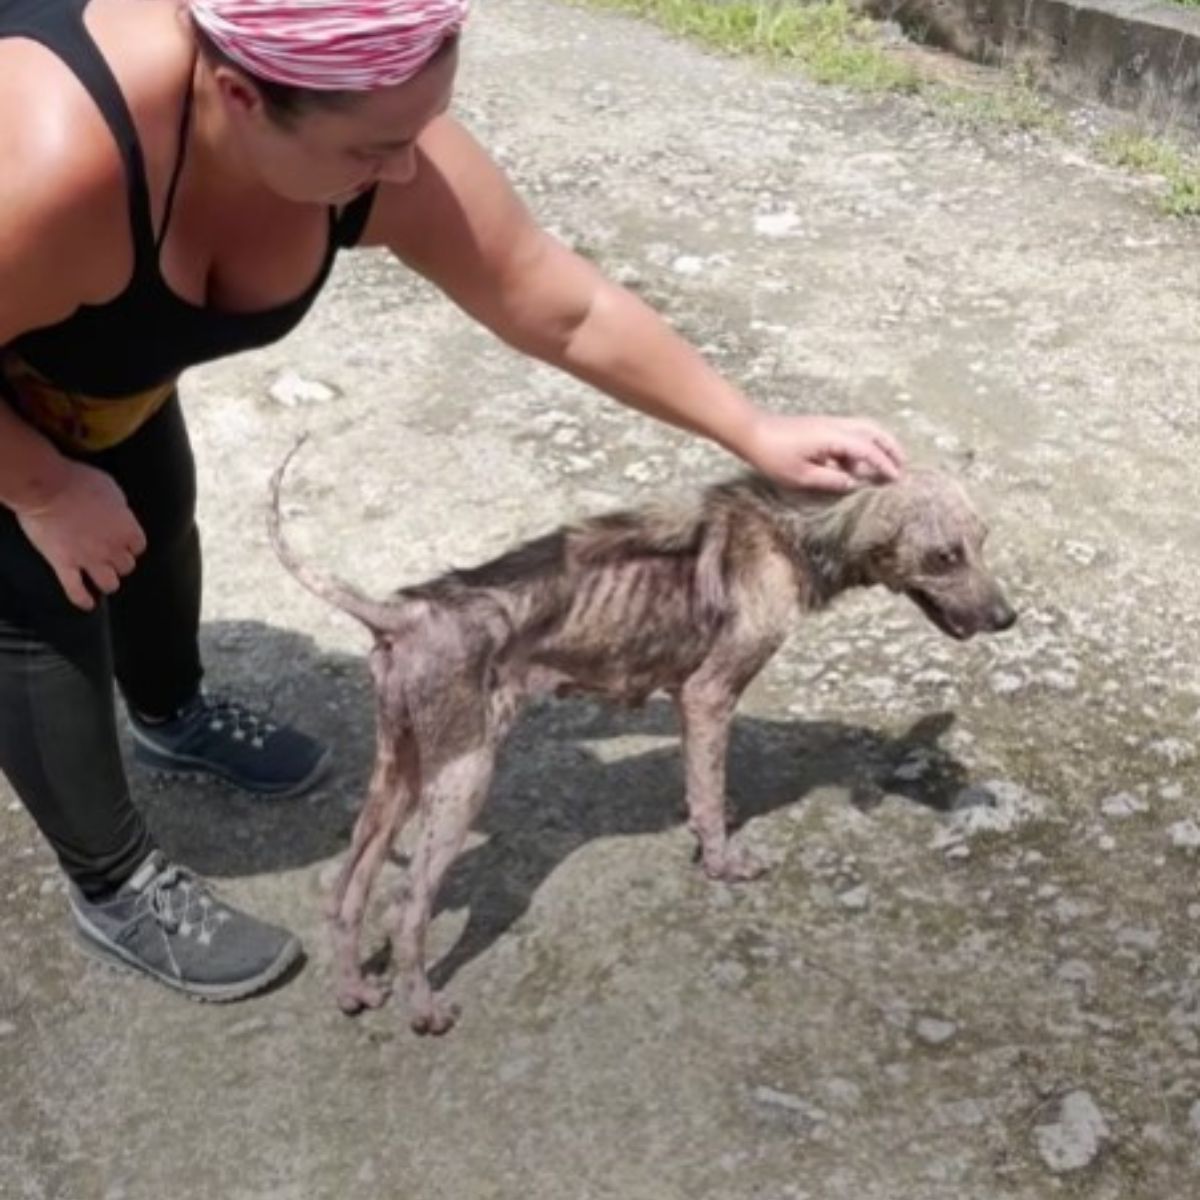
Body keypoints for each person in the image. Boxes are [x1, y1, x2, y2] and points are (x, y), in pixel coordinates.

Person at [0, 0, 905, 1001]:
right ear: (238, 96)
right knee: (40, 605)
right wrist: (41, 490)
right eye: (374, 150)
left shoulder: (368, 121)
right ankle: (113, 881)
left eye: (421, 129)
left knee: (156, 518)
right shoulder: (52, 166)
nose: (404, 172)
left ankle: (168, 714)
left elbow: (556, 304)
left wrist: (751, 428)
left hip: (96, 369)